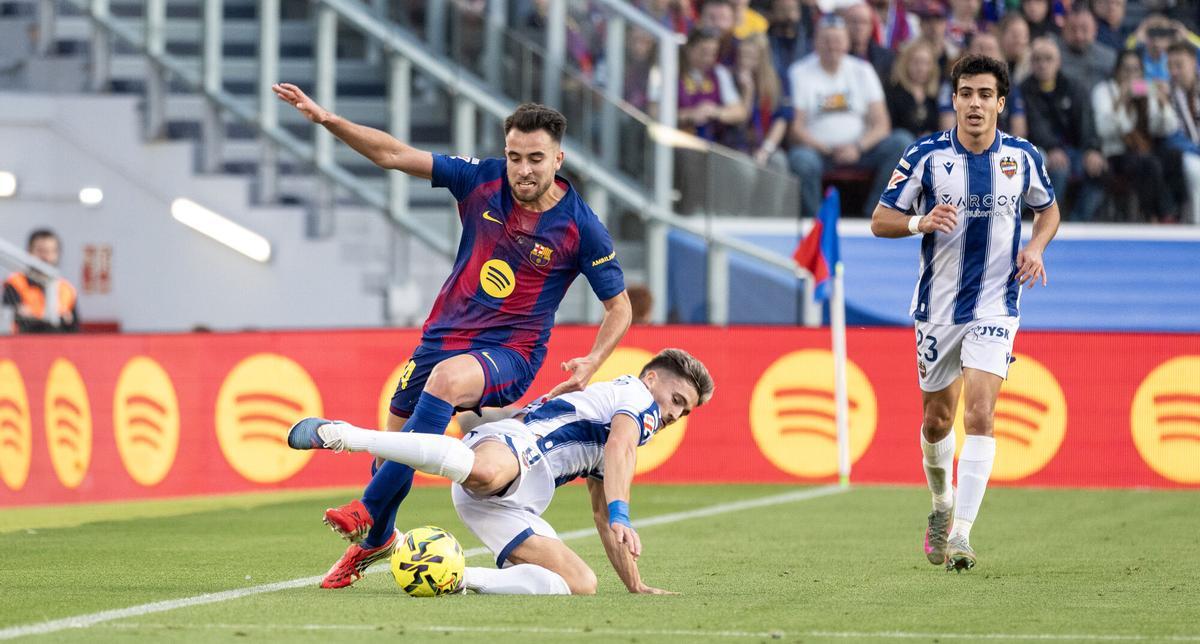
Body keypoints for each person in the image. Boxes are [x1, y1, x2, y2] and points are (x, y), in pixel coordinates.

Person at [272, 85, 633, 588]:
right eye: (514, 157)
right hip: (442, 337)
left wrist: (593, 362)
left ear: (558, 159)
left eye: (535, 159)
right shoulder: (482, 180)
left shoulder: (581, 227)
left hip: (512, 351)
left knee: (444, 384)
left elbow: (620, 307)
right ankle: (379, 537)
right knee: (392, 451)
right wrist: (329, 118)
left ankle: (367, 511)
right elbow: (393, 154)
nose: (522, 169)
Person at [287, 348, 715, 595]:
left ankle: (452, 576)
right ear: (653, 378)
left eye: (685, 410)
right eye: (676, 398)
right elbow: (621, 445)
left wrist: (635, 584)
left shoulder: (626, 424)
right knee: (488, 473)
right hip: (515, 448)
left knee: (579, 583)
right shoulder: (637, 396)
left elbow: (603, 516)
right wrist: (625, 513)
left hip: (514, 501)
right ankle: (344, 435)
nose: (675, 413)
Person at [871, 54, 1061, 571]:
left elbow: (1048, 209)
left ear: (1000, 103)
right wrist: (920, 222)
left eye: (984, 95)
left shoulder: (1022, 158)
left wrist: (1038, 247)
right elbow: (880, 219)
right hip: (937, 308)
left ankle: (962, 534)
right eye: (965, 94)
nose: (974, 104)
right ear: (953, 99)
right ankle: (940, 505)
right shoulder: (926, 156)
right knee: (936, 421)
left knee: (979, 413)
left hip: (997, 304)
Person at [787, 14, 913, 217]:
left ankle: (874, 214)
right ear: (815, 42)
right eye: (826, 40)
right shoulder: (800, 72)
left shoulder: (862, 70)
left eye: (837, 40)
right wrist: (827, 149)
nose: (832, 46)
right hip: (819, 152)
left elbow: (882, 123)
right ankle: (817, 224)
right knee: (800, 160)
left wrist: (857, 147)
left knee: (902, 143)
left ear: (847, 42)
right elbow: (796, 128)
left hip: (860, 150)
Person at [1091, 50, 1182, 222]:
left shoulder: (1145, 89)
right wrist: (1120, 103)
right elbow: (1104, 130)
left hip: (1146, 149)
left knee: (1175, 157)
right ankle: (1156, 215)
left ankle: (1173, 213)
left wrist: (1163, 104)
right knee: (1149, 163)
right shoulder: (1104, 91)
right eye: (1126, 69)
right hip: (1117, 153)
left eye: (1136, 70)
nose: (1131, 75)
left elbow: (1167, 128)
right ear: (1117, 70)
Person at [1021, 36, 1105, 220]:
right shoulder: (1024, 90)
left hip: (1075, 151)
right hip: (1040, 151)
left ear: (1058, 62)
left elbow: (1087, 123)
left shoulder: (1074, 87)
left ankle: (1079, 221)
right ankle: (1047, 222)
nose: (1043, 64)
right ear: (1031, 63)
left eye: (1048, 58)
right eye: (1037, 59)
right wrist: (1052, 148)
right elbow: (1036, 126)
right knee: (1059, 169)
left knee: (1100, 171)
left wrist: (1092, 150)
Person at [652, 27, 749, 143]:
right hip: (674, 141)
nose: (708, 58)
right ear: (689, 48)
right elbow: (653, 112)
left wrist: (714, 112)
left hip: (712, 146)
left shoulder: (719, 73)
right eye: (703, 52)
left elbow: (740, 112)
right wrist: (689, 115)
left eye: (713, 54)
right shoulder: (667, 71)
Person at [937, 31, 1029, 138]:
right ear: (967, 53)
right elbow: (947, 128)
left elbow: (1019, 130)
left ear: (999, 55)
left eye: (990, 49)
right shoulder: (952, 84)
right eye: (980, 48)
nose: (984, 54)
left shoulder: (1009, 86)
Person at [3, 228, 79, 334]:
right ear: (29, 252)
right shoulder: (15, 284)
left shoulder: (66, 289)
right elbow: (12, 323)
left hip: (60, 346)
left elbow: (75, 330)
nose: (46, 257)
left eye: (51, 251)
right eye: (41, 251)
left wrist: (34, 317)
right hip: (24, 346)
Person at [1166, 40, 1200, 224]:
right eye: (1170, 66)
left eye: (1179, 65)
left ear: (1194, 63)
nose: (1174, 72)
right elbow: (1171, 136)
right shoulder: (1164, 91)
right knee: (1194, 168)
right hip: (1184, 155)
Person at [886, 39, 942, 138]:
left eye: (926, 63)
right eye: (916, 62)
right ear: (905, 64)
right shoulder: (893, 92)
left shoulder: (934, 96)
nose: (921, 68)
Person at [1058, 8, 1118, 93]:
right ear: (1063, 30)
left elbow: (1137, 84)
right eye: (1072, 29)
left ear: (1095, 29)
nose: (1078, 36)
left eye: (1084, 29)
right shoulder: (1052, 56)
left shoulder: (1110, 57)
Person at [844, 2, 897, 83]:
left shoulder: (886, 57)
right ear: (845, 24)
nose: (859, 27)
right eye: (854, 22)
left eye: (864, 22)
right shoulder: (836, 55)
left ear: (871, 27)